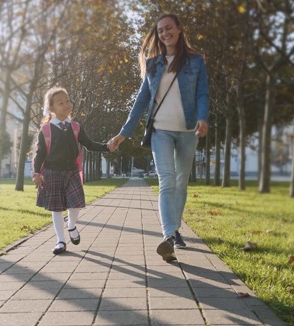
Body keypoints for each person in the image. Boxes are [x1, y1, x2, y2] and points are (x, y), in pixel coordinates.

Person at [109, 13, 209, 262]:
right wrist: (124, 133)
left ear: (179, 28)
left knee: (181, 182)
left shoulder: (196, 61)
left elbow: (202, 94)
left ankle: (174, 229)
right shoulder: (153, 64)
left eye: (169, 28)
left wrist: (203, 117)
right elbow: (141, 100)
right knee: (166, 181)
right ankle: (168, 237)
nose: (165, 33)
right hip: (160, 130)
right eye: (160, 30)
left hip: (188, 130)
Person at [33, 87, 116, 255]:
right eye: (60, 103)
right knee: (56, 208)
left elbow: (89, 144)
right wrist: (36, 173)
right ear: (51, 108)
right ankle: (60, 241)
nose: (66, 105)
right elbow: (40, 152)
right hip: (52, 172)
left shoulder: (76, 127)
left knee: (75, 204)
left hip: (72, 171)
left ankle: (71, 225)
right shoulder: (46, 130)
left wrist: (107, 147)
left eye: (68, 101)